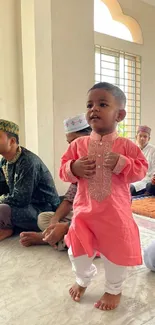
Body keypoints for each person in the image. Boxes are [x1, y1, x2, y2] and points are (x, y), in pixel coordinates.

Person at [59, 82, 148, 311]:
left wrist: (123, 163)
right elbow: (62, 169)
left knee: (116, 255)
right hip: (84, 212)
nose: (93, 109)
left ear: (119, 114)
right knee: (76, 252)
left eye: (102, 104)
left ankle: (113, 288)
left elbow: (141, 169)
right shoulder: (78, 145)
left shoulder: (126, 146)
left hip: (114, 214)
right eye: (89, 104)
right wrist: (73, 168)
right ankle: (83, 278)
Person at [20, 114, 92, 248]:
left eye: (76, 141)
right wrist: (55, 220)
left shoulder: (104, 165)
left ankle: (48, 238)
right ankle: (59, 237)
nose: (72, 148)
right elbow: (69, 199)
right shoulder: (79, 167)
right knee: (44, 218)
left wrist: (66, 227)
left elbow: (103, 214)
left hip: (101, 222)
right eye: (70, 143)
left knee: (90, 234)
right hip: (80, 217)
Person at [0, 119, 60, 241]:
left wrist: (1, 199)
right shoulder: (4, 161)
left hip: (43, 210)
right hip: (23, 206)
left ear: (11, 141)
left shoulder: (28, 161)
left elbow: (21, 199)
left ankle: (6, 228)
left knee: (2, 209)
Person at [130, 125, 155, 196]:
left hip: (147, 179)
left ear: (149, 138)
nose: (142, 138)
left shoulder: (153, 150)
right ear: (136, 137)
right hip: (134, 178)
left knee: (130, 188)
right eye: (140, 136)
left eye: (145, 136)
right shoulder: (133, 149)